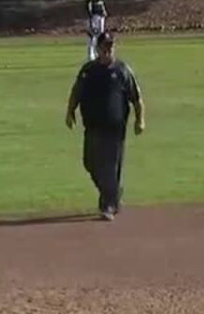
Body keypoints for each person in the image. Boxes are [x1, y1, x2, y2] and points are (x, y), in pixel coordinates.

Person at [65, 32, 144, 221]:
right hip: (92, 127)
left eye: (111, 47)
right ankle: (113, 193)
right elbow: (76, 92)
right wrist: (70, 112)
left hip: (114, 128)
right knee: (90, 163)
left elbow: (136, 98)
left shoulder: (122, 71)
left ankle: (108, 204)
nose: (108, 50)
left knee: (109, 167)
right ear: (97, 49)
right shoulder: (88, 71)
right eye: (104, 47)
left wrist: (140, 120)